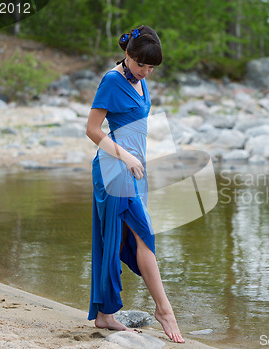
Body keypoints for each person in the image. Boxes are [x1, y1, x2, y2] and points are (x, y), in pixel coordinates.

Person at [85, 24, 185, 344]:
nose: (145, 72)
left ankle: (105, 314)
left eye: (151, 67)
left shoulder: (140, 80)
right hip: (114, 170)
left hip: (136, 174)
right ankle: (164, 309)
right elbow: (92, 129)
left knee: (117, 240)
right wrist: (126, 156)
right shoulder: (112, 81)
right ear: (127, 54)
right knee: (141, 238)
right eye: (141, 64)